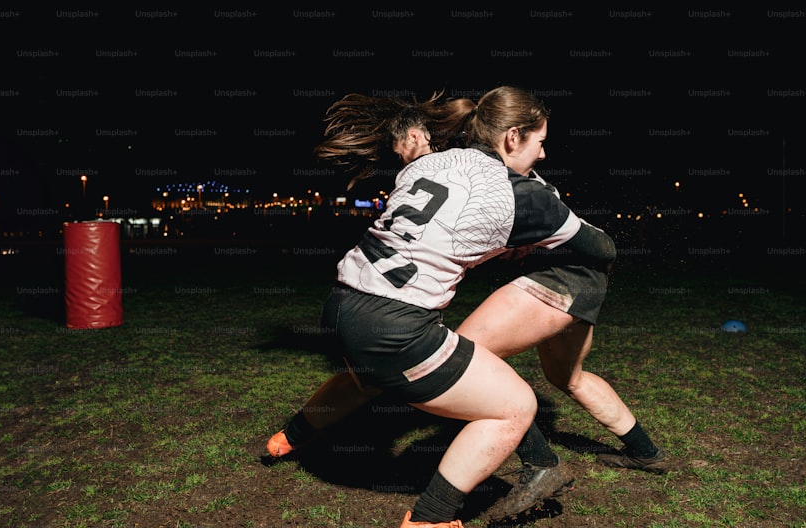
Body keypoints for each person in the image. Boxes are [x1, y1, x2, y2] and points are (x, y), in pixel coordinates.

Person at [269, 87, 661, 526]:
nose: (545, 154)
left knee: (368, 379)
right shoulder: (525, 196)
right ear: (513, 137)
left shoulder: (433, 162)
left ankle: (289, 438)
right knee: (515, 405)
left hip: (341, 306)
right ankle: (431, 518)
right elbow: (602, 247)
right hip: (395, 327)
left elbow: (425, 176)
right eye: (540, 142)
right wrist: (547, 230)